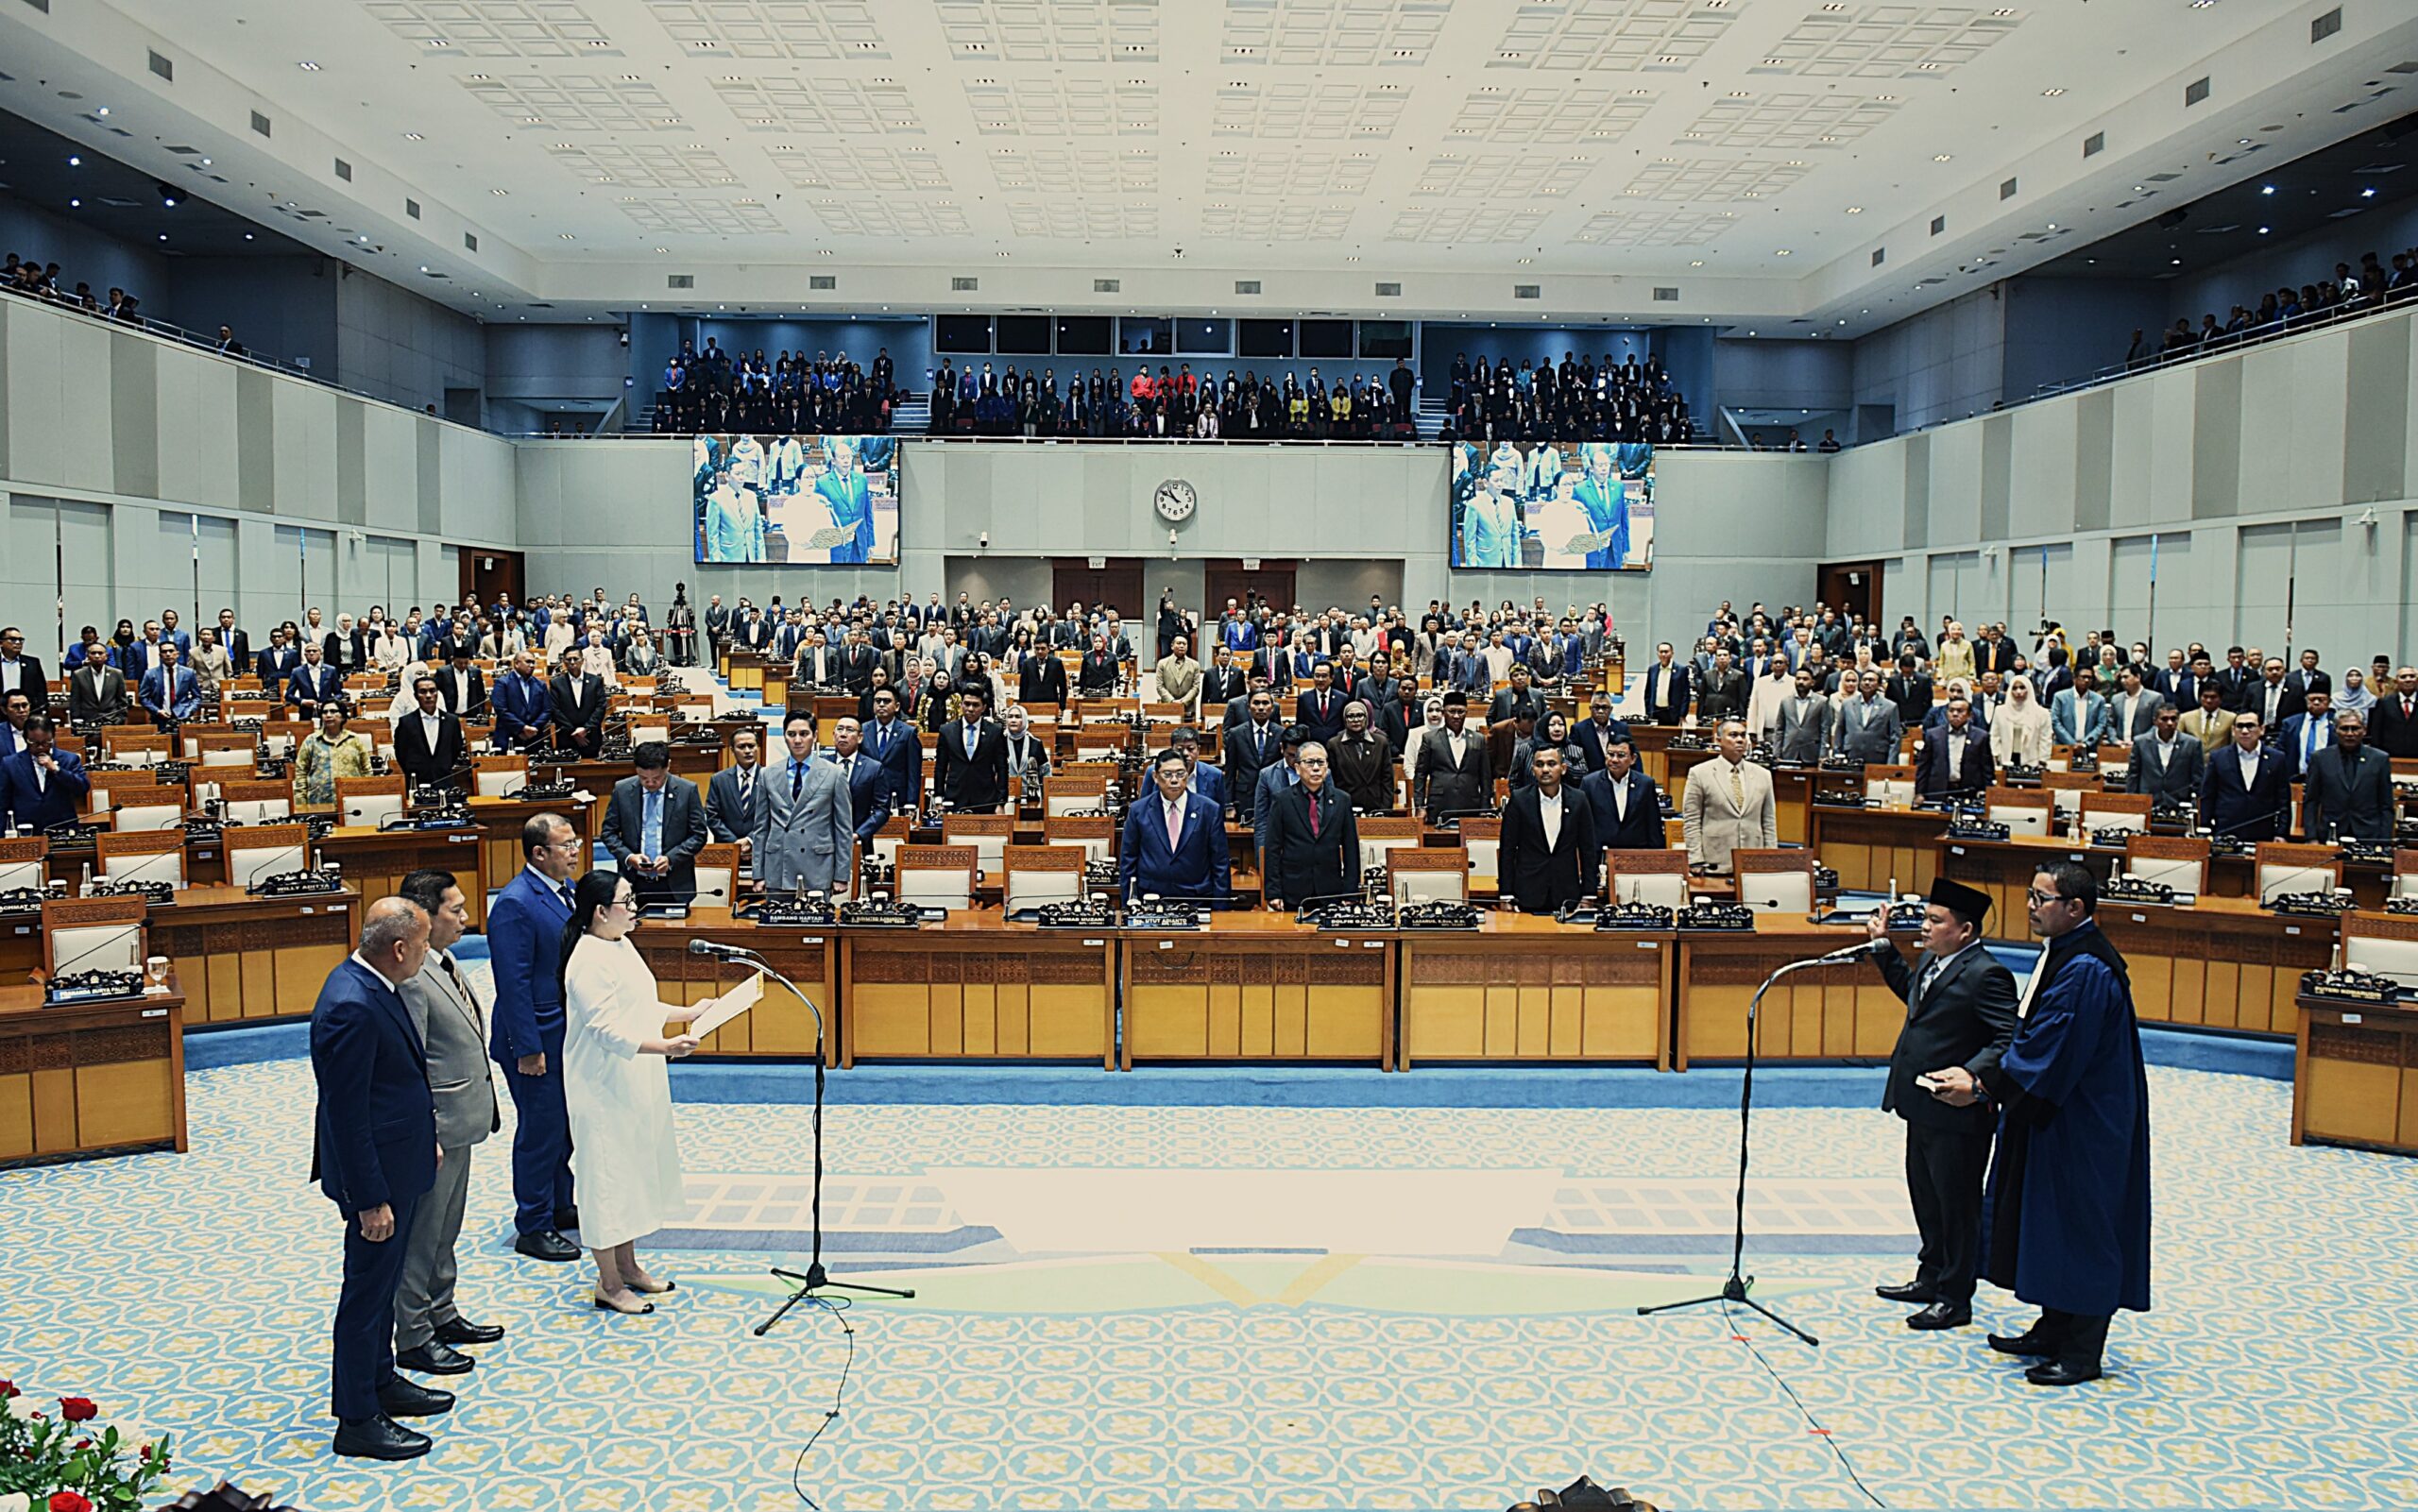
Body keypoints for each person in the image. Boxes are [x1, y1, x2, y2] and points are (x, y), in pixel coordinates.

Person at [1966, 862, 2152, 1386]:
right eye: (2030, 895)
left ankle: (2081, 1352)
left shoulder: (2086, 968)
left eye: (2042, 898)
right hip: (2058, 1108)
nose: (2031, 905)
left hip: (2086, 1119)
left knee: (2083, 1226)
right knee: (2049, 1220)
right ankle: (2052, 1327)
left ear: (2076, 908)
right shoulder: (2064, 954)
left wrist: (1986, 1087)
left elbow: (2053, 1044)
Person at [309, 896, 449, 1460]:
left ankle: (381, 1380)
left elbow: (395, 1082)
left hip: (399, 1161)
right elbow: (345, 1114)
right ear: (397, 948)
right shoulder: (350, 1004)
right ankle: (357, 1418)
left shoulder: (373, 986)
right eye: (420, 946)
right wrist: (369, 1200)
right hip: (376, 1182)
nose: (424, 954)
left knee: (384, 1286)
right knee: (365, 1294)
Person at [1861, 878, 2019, 1331]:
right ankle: (1930, 1276)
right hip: (1922, 1103)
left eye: (1935, 920)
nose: (1924, 927)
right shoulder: (1934, 960)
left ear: (1965, 930)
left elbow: (2007, 1038)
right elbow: (1915, 998)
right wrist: (1882, 945)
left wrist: (1973, 1074)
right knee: (1927, 1198)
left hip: (1959, 1112)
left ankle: (1955, 1297)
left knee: (1957, 1206)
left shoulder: (1987, 974)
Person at [560, 870, 706, 1315]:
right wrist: (665, 1045)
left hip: (634, 1080)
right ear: (600, 911)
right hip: (601, 1085)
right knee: (606, 1180)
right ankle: (607, 1281)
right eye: (627, 901)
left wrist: (690, 1012)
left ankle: (629, 1266)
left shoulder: (621, 945)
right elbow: (605, 1028)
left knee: (632, 1173)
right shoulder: (586, 958)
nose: (635, 908)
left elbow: (641, 1005)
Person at [391, 871, 504, 1379]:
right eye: (454, 910)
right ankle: (414, 1335)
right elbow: (411, 1063)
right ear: (423, 915)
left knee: (446, 1229)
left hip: (462, 1121)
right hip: (436, 1128)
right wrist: (427, 1131)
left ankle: (442, 1312)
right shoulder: (413, 978)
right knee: (423, 1235)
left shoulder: (445, 961)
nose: (465, 918)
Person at [488, 814, 586, 1264]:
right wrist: (528, 1049)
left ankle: (560, 1204)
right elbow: (513, 983)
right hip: (532, 1038)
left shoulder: (562, 892)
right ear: (538, 853)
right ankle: (532, 1223)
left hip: (561, 1030)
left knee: (562, 1126)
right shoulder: (516, 903)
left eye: (575, 842)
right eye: (565, 845)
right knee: (540, 1131)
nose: (575, 850)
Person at [755, 711, 855, 893]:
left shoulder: (834, 774)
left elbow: (843, 829)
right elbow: (761, 828)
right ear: (784, 737)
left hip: (817, 868)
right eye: (791, 734)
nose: (798, 740)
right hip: (778, 868)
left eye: (804, 734)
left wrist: (841, 875)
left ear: (815, 736)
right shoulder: (767, 774)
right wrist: (758, 874)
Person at [601, 741, 709, 903]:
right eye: (643, 778)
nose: (650, 783)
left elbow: (699, 835)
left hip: (675, 883)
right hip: (633, 882)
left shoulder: (687, 791)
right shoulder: (622, 790)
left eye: (657, 778)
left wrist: (671, 858)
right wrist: (629, 857)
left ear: (668, 766)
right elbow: (608, 833)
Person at [1117, 748, 1231, 902]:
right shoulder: (1139, 811)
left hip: (1197, 899)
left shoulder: (1209, 810)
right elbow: (1128, 860)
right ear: (1155, 777)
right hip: (1150, 900)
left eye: (1180, 773)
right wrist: (1127, 904)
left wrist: (1221, 907)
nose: (1175, 780)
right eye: (1168, 774)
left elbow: (1220, 862)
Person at [1498, 744, 1598, 914]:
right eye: (1539, 764)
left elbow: (1588, 849)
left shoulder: (1579, 800)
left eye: (1552, 764)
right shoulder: (1519, 800)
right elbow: (1507, 849)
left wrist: (1589, 894)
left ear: (1563, 768)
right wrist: (1506, 894)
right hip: (1528, 892)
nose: (1545, 769)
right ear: (1532, 769)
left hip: (1567, 894)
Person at [1260, 741, 1358, 911]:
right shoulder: (1282, 800)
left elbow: (1351, 848)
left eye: (1321, 763)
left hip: (1330, 891)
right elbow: (1272, 848)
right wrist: (1273, 892)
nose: (1315, 768)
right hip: (1293, 890)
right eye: (1309, 762)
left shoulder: (1342, 800)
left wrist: (1350, 892)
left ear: (1327, 767)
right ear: (1297, 768)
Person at [1682, 719, 1777, 875]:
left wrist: (1771, 858)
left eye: (1743, 735)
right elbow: (1692, 821)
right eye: (1733, 735)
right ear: (1718, 740)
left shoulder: (1763, 775)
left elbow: (1769, 821)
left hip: (1753, 862)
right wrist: (1695, 859)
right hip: (1715, 862)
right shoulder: (1699, 773)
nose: (1740, 740)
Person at [2301, 709, 2392, 841]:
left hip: (2369, 834)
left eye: (2355, 728)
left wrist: (2385, 842)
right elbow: (2311, 802)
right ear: (2335, 730)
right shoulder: (2320, 758)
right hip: (2330, 832)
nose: (2350, 733)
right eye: (2344, 728)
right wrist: (2311, 838)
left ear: (2364, 730)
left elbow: (2386, 805)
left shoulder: (2379, 759)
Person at [2199, 712, 2290, 841]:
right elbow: (2208, 796)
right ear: (2233, 730)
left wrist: (2281, 833)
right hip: (2226, 830)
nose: (2245, 731)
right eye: (2240, 726)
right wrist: (2205, 828)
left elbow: (2283, 799)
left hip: (2263, 830)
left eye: (2250, 726)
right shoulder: (2218, 757)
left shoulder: (2277, 758)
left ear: (2262, 729)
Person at [1412, 690, 1492, 822]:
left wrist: (1485, 808)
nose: (1456, 716)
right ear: (1444, 713)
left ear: (1466, 713)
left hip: (1470, 805)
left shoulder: (1478, 739)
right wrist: (1420, 806)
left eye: (1460, 712)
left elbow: (1485, 777)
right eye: (1452, 711)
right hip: (1439, 805)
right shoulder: (1430, 738)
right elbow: (1420, 774)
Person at [0, 716, 89, 832]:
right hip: (25, 829)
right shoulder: (10, 763)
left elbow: (82, 788)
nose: (41, 747)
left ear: (53, 737)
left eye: (46, 742)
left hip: (62, 828)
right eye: (34, 742)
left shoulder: (69, 759)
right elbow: (2, 802)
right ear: (25, 738)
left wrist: (57, 770)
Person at [933, 681, 1010, 814]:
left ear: (984, 707)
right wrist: (938, 798)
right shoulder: (947, 730)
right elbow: (941, 767)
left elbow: (1002, 769)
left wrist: (1001, 802)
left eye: (975, 705)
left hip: (986, 798)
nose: (970, 709)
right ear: (961, 704)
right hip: (954, 797)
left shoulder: (995, 731)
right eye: (967, 704)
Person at [1579, 737, 1661, 854]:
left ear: (1633, 759)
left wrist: (1656, 857)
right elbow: (1583, 824)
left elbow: (1653, 825)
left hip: (1635, 854)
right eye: (1610, 754)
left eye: (1621, 755)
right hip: (1600, 854)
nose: (1614, 760)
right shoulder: (1589, 783)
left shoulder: (1646, 784)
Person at [2122, 704, 2204, 808]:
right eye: (2164, 719)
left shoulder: (2192, 744)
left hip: (2179, 803)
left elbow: (2197, 779)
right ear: (2155, 721)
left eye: (2173, 719)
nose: (2169, 723)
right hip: (2148, 802)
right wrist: (2131, 801)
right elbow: (2133, 775)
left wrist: (2195, 804)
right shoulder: (2141, 742)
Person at [296, 702, 375, 809]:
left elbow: (367, 771)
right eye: (324, 712)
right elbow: (301, 771)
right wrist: (301, 803)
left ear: (342, 716)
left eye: (333, 711)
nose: (328, 715)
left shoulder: (355, 740)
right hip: (319, 803)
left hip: (352, 803)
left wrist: (367, 796)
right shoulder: (311, 741)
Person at [705, 727, 765, 868]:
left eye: (751, 746)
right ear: (732, 750)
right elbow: (713, 817)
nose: (747, 751)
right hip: (727, 850)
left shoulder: (769, 777)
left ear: (757, 747)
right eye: (741, 747)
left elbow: (773, 816)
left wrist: (750, 840)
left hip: (760, 850)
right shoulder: (719, 780)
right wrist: (735, 844)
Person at [395, 677, 467, 791]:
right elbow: (401, 752)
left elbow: (456, 748)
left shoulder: (452, 721)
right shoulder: (406, 722)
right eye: (423, 691)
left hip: (445, 780)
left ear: (438, 694)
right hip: (417, 783)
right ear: (415, 696)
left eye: (432, 691)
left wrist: (443, 765)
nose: (428, 695)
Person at [1915, 697, 1993, 802]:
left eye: (1960, 711)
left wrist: (1986, 791)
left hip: (1969, 792)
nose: (1955, 714)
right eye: (1951, 710)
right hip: (1939, 790)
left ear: (1970, 715)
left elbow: (1987, 768)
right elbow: (1924, 767)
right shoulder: (1933, 735)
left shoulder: (1981, 737)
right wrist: (1920, 792)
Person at [1326, 702, 1394, 814]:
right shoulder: (1334, 744)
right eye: (1351, 716)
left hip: (1376, 806)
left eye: (1359, 715)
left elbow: (1387, 779)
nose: (1356, 720)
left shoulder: (1381, 742)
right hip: (1346, 806)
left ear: (1366, 718)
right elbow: (1332, 781)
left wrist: (1385, 809)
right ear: (1345, 719)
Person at [550, 650, 608, 759]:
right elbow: (554, 710)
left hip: (590, 737)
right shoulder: (556, 683)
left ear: (582, 661)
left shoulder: (595, 681)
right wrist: (573, 732)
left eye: (576, 659)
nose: (572, 662)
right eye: (568, 659)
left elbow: (601, 707)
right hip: (567, 737)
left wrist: (585, 729)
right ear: (563, 661)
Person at [65, 640, 131, 727]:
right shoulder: (78, 675)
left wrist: (119, 720)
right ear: (87, 656)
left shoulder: (117, 674)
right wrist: (78, 722)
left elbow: (122, 701)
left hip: (111, 722)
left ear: (106, 656)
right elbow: (75, 702)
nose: (97, 656)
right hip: (87, 722)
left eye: (100, 653)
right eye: (93, 653)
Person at [286, 643, 343, 720]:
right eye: (308, 651)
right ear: (305, 654)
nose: (311, 653)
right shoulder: (297, 672)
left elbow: (339, 694)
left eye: (314, 651)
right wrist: (303, 701)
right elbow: (288, 695)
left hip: (327, 712)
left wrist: (328, 703)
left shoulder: (331, 670)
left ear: (320, 653)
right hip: (306, 713)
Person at [1641, 642, 1691, 725]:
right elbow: (1648, 692)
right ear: (1657, 653)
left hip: (1673, 713)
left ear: (1672, 653)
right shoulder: (1652, 669)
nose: (1663, 654)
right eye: (1661, 652)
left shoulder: (1681, 670)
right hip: (1656, 711)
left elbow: (1686, 694)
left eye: (1666, 652)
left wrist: (1683, 714)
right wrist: (1649, 711)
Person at [0, 626, 46, 708]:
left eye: (21, 640)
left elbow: (41, 690)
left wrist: (40, 708)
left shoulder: (32, 663)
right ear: (1, 643)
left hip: (25, 712)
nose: (18, 642)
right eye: (13, 639)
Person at [1156, 635, 1201, 713]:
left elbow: (1196, 687)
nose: (1181, 646)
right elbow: (1160, 686)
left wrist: (1183, 702)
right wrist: (1172, 701)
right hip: (1168, 706)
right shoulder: (1162, 663)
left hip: (1188, 707)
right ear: (1172, 646)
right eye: (1179, 643)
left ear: (1187, 647)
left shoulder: (1195, 665)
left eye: (1184, 644)